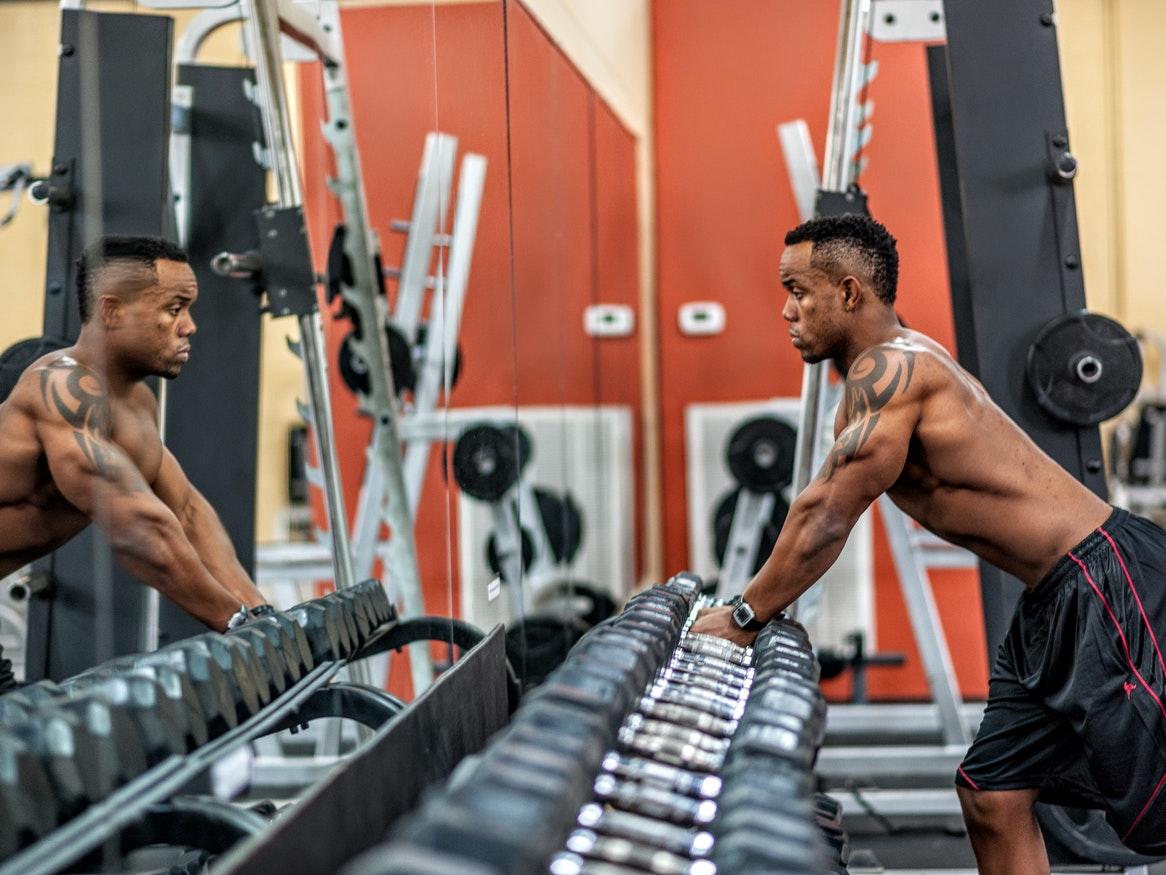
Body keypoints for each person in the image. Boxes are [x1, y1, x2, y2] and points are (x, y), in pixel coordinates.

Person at [690, 214, 1166, 868]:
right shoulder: (892, 362)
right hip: (1053, 600)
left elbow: (827, 512)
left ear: (851, 293)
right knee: (992, 793)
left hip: (1106, 583)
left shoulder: (890, 371)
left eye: (799, 290)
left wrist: (744, 615)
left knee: (1156, 812)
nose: (785, 309)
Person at [0, 235, 267, 634]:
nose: (190, 327)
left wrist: (263, 615)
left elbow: (187, 514)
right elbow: (140, 531)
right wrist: (236, 623)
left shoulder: (136, 402)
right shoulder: (60, 386)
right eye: (174, 309)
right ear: (112, 311)